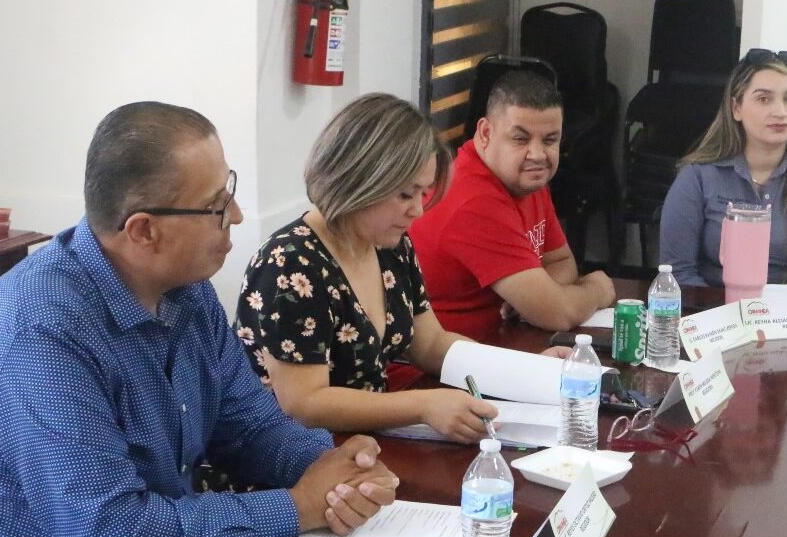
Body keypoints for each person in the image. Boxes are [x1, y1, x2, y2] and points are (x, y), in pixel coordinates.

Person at [0, 102, 398, 537]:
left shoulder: (187, 292)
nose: (236, 215)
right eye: (216, 205)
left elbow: (252, 427)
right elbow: (111, 531)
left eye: (229, 191)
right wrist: (298, 507)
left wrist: (334, 473)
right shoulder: (42, 332)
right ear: (143, 230)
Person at [236, 93, 564, 442]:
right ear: (359, 181)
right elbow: (304, 403)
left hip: (362, 442)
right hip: (291, 453)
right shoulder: (289, 264)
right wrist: (423, 405)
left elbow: (431, 344)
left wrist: (525, 371)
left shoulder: (388, 245)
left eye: (422, 193)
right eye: (405, 195)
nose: (417, 211)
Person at [409, 71, 616, 338]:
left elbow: (562, 261)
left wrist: (538, 296)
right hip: (453, 357)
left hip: (503, 341)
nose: (537, 154)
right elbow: (559, 313)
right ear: (485, 133)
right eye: (520, 139)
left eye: (550, 140)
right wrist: (598, 288)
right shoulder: (474, 201)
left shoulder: (523, 179)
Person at [659, 49, 787, 301]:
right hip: (714, 316)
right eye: (764, 99)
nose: (781, 112)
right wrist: (730, 314)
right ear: (736, 108)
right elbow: (678, 274)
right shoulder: (697, 177)